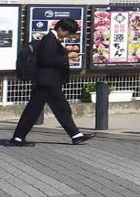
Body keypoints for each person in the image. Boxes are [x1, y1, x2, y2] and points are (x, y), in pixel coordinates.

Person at [8, 18, 95, 147]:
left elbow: (51, 57)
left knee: (57, 108)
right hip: (47, 81)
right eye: (67, 32)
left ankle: (75, 135)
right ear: (60, 29)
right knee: (44, 109)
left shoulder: (52, 39)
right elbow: (47, 60)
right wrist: (67, 57)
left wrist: (66, 55)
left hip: (49, 81)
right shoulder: (49, 39)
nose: (67, 35)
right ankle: (18, 137)